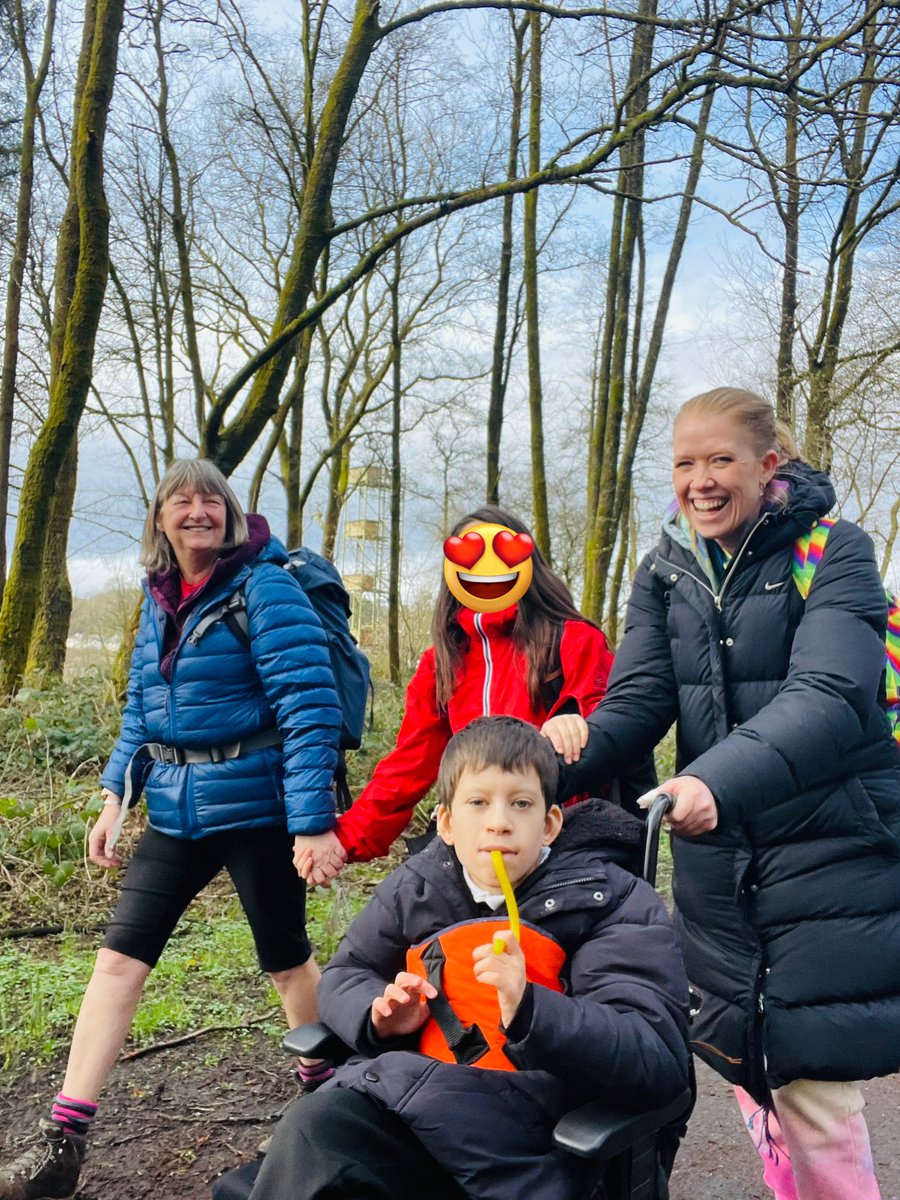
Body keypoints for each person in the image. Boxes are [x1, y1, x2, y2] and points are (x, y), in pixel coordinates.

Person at [547, 387, 900, 1200]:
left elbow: (831, 693)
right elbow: (637, 702)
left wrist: (714, 778)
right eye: (683, 463)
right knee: (746, 1063)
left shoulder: (834, 549)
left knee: (811, 1082)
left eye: (720, 461)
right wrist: (537, 767)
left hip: (828, 850)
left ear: (767, 465)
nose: (699, 481)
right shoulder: (667, 564)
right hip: (717, 866)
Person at [0, 459, 342, 1200]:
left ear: (229, 512)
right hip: (178, 811)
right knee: (118, 961)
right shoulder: (161, 598)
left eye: (210, 498)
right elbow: (141, 713)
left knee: (285, 961)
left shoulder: (267, 586)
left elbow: (310, 706)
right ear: (160, 518)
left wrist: (313, 824)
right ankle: (62, 1141)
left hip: (258, 807)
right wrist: (113, 798)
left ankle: (329, 1095)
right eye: (181, 499)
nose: (197, 509)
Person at [249, 716, 691, 1200]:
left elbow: (656, 1058)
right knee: (314, 1129)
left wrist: (533, 1010)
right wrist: (380, 1015)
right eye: (477, 803)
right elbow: (345, 973)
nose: (498, 821)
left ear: (549, 824)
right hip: (402, 1109)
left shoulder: (611, 900)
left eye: (520, 804)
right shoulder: (417, 887)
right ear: (446, 823)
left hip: (525, 1140)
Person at [297, 503, 643, 888]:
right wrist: (343, 839)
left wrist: (578, 723)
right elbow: (408, 766)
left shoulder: (574, 641)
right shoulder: (440, 662)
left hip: (561, 844)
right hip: (473, 848)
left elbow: (617, 728)